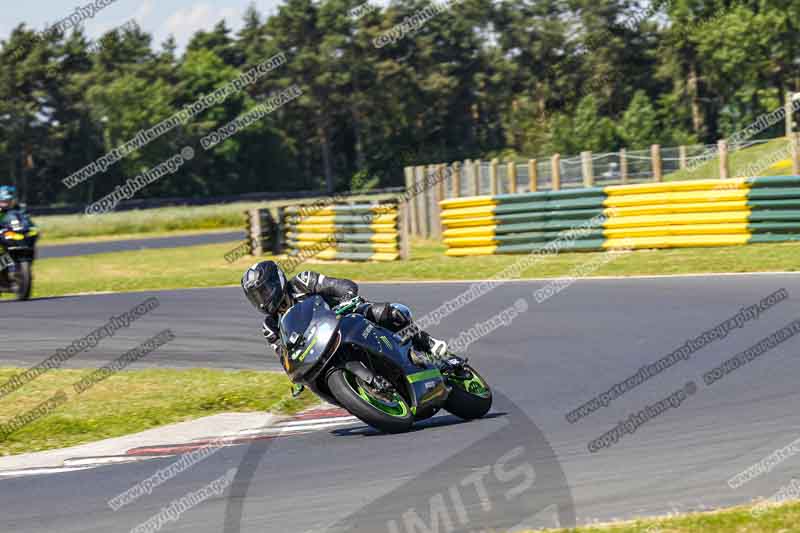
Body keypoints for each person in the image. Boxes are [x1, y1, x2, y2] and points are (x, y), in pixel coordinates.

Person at [241, 261, 453, 366]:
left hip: (346, 317)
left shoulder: (303, 282)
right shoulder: (270, 326)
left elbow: (341, 285)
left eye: (264, 292)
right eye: (256, 297)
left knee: (389, 313)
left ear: (276, 281)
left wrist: (347, 298)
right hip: (320, 348)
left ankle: (427, 342)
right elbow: (283, 356)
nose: (262, 299)